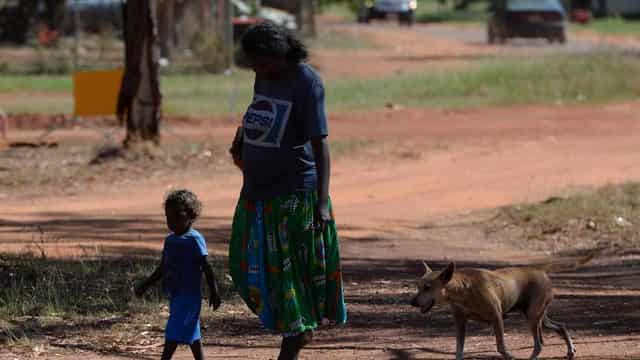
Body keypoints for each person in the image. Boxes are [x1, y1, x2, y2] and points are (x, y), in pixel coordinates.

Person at [228, 21, 347, 360]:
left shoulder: (307, 81)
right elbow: (262, 115)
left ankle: (294, 339)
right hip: (256, 190)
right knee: (243, 262)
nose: (255, 68)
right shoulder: (263, 75)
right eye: (251, 62)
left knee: (288, 275)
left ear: (278, 54)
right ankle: (298, 329)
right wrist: (243, 139)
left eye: (259, 61)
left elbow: (320, 144)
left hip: (294, 194)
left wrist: (322, 202)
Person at [135, 189, 222, 360]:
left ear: (190, 215)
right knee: (192, 334)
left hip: (190, 296)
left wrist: (214, 291)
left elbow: (206, 266)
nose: (172, 221)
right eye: (168, 217)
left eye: (177, 216)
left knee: (173, 332)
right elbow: (163, 267)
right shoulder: (170, 240)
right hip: (176, 295)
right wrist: (145, 285)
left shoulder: (194, 239)